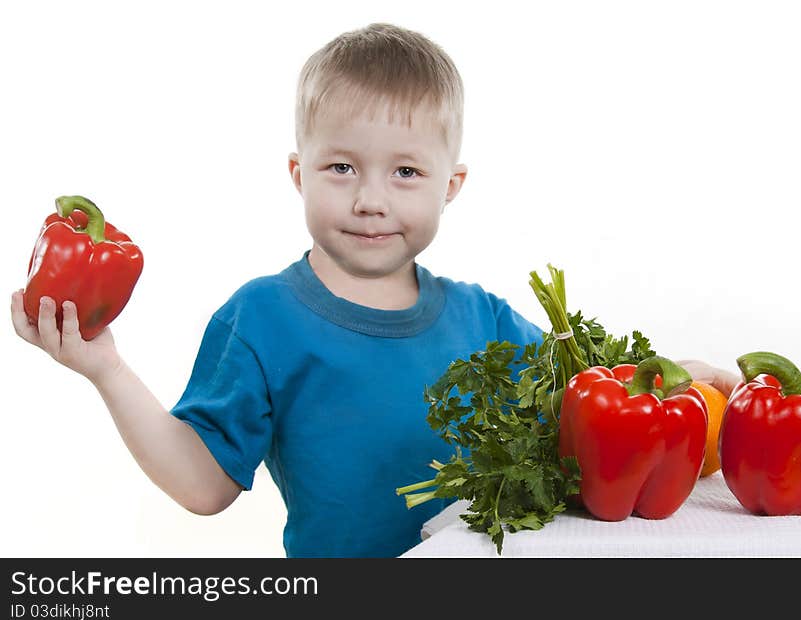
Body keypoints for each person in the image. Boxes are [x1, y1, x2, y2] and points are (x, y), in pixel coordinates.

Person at [10, 23, 738, 558]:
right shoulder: (260, 319)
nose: (370, 199)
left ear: (451, 188)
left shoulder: (485, 319)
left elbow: (591, 401)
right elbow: (204, 488)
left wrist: (677, 376)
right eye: (341, 169)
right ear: (299, 173)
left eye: (406, 173)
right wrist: (105, 368)